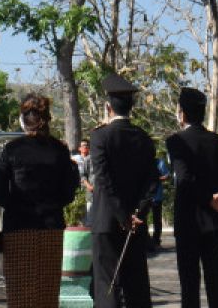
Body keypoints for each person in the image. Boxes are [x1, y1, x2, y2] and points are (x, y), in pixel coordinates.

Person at [0, 94, 80, 308]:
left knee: (20, 295)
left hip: (18, 229)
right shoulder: (59, 149)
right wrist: (53, 205)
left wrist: (14, 206)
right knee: (47, 295)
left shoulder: (13, 149)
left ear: (23, 120)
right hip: (51, 229)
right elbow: (69, 190)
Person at [89, 73, 158, 308]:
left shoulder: (100, 136)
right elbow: (152, 181)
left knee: (106, 284)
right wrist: (138, 213)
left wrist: (121, 215)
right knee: (136, 285)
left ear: (108, 107)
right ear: (132, 106)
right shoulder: (145, 139)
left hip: (107, 221)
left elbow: (104, 179)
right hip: (135, 224)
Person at [165, 87, 218, 308]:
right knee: (216, 284)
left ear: (182, 113)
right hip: (215, 221)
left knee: (189, 285)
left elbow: (184, 179)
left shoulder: (176, 141)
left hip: (188, 221)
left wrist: (207, 198)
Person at [150, 154, 171, 251]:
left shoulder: (160, 162)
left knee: (156, 219)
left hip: (156, 196)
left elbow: (167, 175)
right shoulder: (143, 161)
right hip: (144, 196)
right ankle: (145, 240)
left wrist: (156, 179)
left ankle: (156, 240)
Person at [73, 138, 94, 223]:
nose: (85, 147)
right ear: (79, 148)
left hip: (89, 189)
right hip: (78, 188)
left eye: (87, 145)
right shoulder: (75, 159)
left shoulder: (91, 159)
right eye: (83, 145)